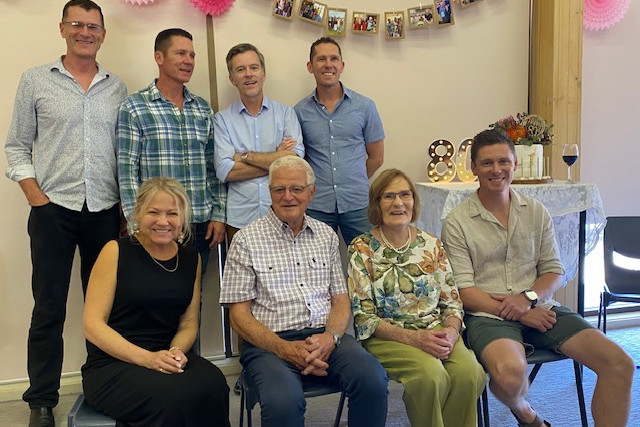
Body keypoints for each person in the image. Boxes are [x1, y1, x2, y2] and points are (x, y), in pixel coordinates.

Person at [441, 128, 634, 427]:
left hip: (540, 307)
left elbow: (554, 271)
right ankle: (527, 414)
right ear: (474, 168)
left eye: (503, 161)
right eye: (487, 163)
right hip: (487, 316)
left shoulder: (536, 211)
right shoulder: (457, 221)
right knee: (509, 376)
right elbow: (464, 290)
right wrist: (519, 313)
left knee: (620, 363)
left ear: (515, 164)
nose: (497, 170)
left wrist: (528, 301)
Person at [4, 1, 126, 425]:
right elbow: (17, 145)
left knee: (105, 308)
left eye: (93, 26)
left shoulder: (117, 87)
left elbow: (122, 151)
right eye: (77, 24)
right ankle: (41, 401)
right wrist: (35, 194)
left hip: (105, 212)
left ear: (103, 34)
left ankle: (102, 387)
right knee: (49, 308)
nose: (85, 31)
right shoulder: (36, 80)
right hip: (53, 209)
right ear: (62, 29)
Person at [220, 156, 389, 427]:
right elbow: (238, 316)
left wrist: (330, 338)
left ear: (311, 193)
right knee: (283, 402)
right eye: (279, 189)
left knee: (373, 379)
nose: (288, 197)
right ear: (270, 192)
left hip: (324, 337)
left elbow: (340, 299)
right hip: (269, 345)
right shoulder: (245, 240)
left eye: (297, 189)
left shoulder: (326, 236)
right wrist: (285, 348)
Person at [82, 178, 230, 427]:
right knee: (171, 399)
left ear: (183, 217)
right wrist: (147, 359)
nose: (163, 221)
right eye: (154, 212)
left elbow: (188, 324)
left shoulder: (191, 258)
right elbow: (93, 325)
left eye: (172, 213)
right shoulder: (115, 251)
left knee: (214, 385)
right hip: (114, 363)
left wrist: (176, 353)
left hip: (166, 356)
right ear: (139, 212)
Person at [348, 169, 485, 427]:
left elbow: (452, 301)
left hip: (436, 331)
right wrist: (415, 339)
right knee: (431, 376)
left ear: (414, 201)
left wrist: (452, 333)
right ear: (377, 203)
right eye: (388, 196)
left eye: (404, 195)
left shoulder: (431, 244)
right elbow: (364, 317)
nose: (398, 203)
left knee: (471, 373)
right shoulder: (361, 248)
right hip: (388, 336)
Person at [117, 28, 226, 273]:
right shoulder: (134, 107)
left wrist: (219, 214)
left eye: (192, 55)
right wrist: (137, 225)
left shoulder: (202, 109)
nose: (188, 61)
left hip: (199, 223)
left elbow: (214, 168)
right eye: (180, 53)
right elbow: (127, 172)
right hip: (157, 226)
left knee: (191, 299)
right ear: (159, 57)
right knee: (154, 298)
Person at [295, 37, 385, 246]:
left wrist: (354, 178)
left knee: (368, 263)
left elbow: (377, 158)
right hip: (317, 205)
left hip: (358, 204)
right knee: (315, 267)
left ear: (342, 66)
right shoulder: (299, 112)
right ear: (310, 66)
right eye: (321, 59)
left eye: (334, 58)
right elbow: (300, 158)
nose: (328, 64)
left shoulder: (365, 106)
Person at [214, 43, 304, 241]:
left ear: (263, 73)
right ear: (232, 79)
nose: (248, 74)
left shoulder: (286, 113)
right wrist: (278, 160)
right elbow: (225, 171)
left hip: (283, 216)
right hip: (240, 220)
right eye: (240, 69)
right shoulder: (222, 120)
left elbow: (295, 162)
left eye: (254, 67)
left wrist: (245, 157)